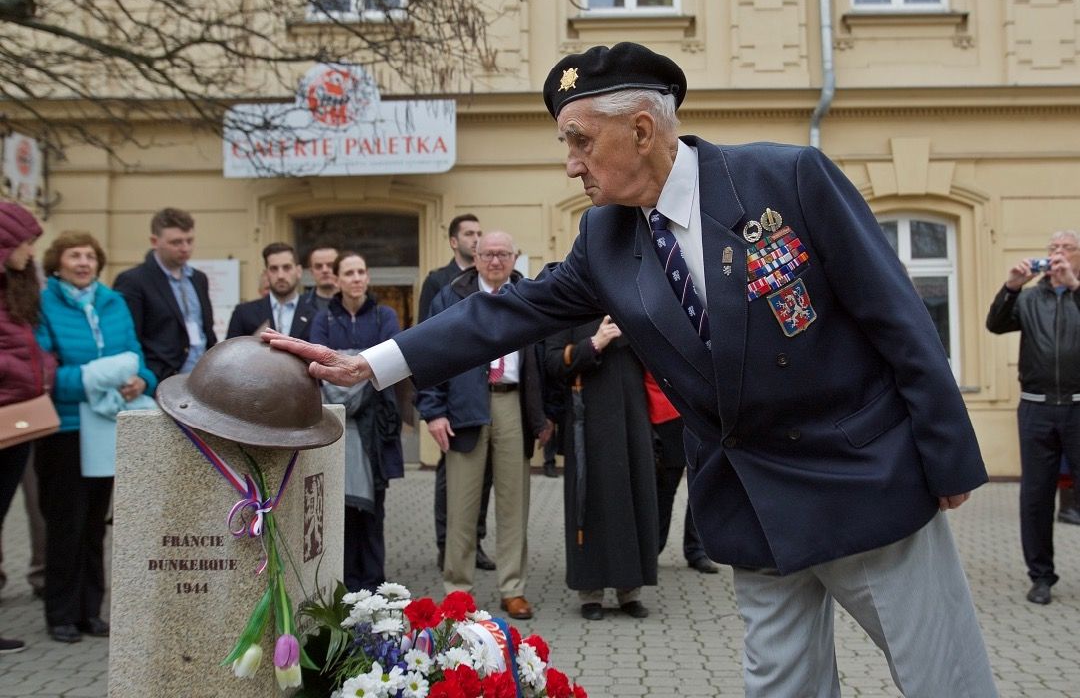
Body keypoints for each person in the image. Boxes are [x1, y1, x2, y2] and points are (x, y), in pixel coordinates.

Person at [266, 42, 997, 696]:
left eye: (580, 141)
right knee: (782, 686)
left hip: (862, 483)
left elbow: (898, 318)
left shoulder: (786, 178)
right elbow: (508, 312)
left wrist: (948, 458)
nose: (570, 163)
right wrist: (369, 363)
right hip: (752, 501)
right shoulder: (606, 238)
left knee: (943, 678)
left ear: (642, 131)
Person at [415, 231, 551, 620]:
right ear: (475, 258)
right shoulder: (450, 297)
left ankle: (513, 589)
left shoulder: (528, 296)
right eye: (488, 254)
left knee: (514, 504)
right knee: (461, 505)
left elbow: (542, 356)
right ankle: (458, 590)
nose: (495, 261)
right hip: (463, 406)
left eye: (503, 254)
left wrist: (544, 414)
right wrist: (433, 411)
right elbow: (428, 353)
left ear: (514, 258)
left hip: (513, 404)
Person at [35, 231, 157, 643]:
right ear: (57, 263)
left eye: (90, 256)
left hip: (109, 425)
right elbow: (45, 373)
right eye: (74, 255)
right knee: (65, 522)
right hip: (67, 428)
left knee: (94, 523)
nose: (84, 263)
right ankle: (62, 613)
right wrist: (92, 381)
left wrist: (142, 381)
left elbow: (137, 356)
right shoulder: (44, 303)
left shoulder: (113, 302)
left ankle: (91, 610)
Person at [986, 230, 1080, 605]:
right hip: (1036, 408)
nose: (1058, 253)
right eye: (1053, 248)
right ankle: (1041, 577)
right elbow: (995, 324)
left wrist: (1074, 287)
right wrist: (1011, 286)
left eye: (1067, 248)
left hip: (1078, 405)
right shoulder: (1029, 298)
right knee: (1036, 497)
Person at [544, 315, 657, 620]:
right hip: (589, 418)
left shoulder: (630, 300)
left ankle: (630, 590)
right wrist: (593, 344)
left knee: (632, 498)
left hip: (632, 414)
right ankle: (590, 591)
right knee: (591, 502)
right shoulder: (569, 305)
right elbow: (552, 361)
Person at [309, 252, 403, 591]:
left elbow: (392, 359)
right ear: (337, 279)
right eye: (349, 273)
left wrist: (348, 365)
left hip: (375, 430)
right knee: (341, 508)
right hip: (337, 428)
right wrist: (362, 366)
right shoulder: (323, 319)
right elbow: (318, 367)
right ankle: (345, 583)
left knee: (374, 509)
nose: (357, 278)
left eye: (361, 271)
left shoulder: (384, 315)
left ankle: (374, 583)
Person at [419, 214, 495, 573]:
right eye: (468, 233)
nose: (476, 238)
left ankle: (474, 542)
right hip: (454, 397)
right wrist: (434, 407)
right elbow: (426, 344)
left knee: (485, 475)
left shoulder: (492, 279)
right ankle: (446, 544)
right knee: (450, 477)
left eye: (479, 232)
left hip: (486, 393)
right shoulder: (439, 282)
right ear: (454, 241)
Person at [0, 201, 55, 654]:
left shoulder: (16, 289)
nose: (31, 252)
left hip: (18, 420)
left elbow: (32, 348)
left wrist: (45, 369)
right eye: (26, 243)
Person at [113, 207, 216, 383]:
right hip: (160, 378)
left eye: (189, 241)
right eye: (176, 242)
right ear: (154, 241)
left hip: (202, 376)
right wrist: (144, 378)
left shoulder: (199, 278)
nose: (185, 248)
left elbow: (205, 328)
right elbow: (129, 337)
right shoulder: (133, 281)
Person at [644, 371, 718, 574]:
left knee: (701, 487)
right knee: (665, 486)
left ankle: (697, 550)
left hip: (702, 412)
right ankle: (653, 547)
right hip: (666, 413)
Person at [226, 242, 317, 341]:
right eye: (274, 269)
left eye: (286, 267)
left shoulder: (316, 313)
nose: (280, 276)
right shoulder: (244, 313)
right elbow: (231, 349)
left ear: (299, 271)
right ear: (266, 273)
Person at [302, 245, 339, 314]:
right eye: (318, 266)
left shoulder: (355, 302)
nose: (325, 270)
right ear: (311, 272)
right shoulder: (300, 305)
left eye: (330, 265)